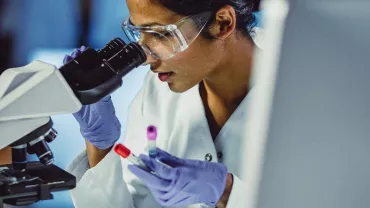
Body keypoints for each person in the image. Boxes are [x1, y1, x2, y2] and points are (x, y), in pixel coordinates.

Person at [66, 0, 263, 207]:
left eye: (161, 34)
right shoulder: (158, 90)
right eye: (139, 33)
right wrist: (100, 147)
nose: (146, 59)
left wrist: (228, 193)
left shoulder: (296, 84)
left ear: (223, 23)